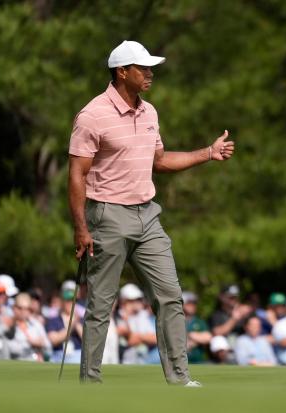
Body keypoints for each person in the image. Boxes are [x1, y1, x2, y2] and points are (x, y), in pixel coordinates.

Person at [68, 40, 234, 386]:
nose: (150, 73)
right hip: (107, 215)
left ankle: (180, 377)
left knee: (170, 295)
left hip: (148, 217)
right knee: (101, 303)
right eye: (143, 68)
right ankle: (90, 382)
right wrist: (81, 228)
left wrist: (207, 153)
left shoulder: (150, 112)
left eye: (150, 67)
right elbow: (77, 175)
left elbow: (159, 161)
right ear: (122, 72)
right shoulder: (92, 115)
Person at [116, 283, 158, 364]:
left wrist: (138, 337)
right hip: (123, 362)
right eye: (134, 300)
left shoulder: (142, 315)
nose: (139, 302)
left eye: (139, 299)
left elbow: (156, 338)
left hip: (142, 361)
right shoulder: (118, 316)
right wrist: (144, 338)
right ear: (124, 301)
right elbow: (130, 341)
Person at [7, 293, 51, 361]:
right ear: (14, 308)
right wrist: (31, 343)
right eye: (19, 308)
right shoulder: (9, 324)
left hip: (37, 364)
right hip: (18, 363)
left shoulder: (36, 324)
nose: (22, 311)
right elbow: (9, 348)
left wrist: (41, 344)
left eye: (26, 309)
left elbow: (48, 347)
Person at [45, 286, 84, 363]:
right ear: (62, 302)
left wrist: (77, 324)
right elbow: (53, 340)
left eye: (73, 301)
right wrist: (72, 325)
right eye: (68, 301)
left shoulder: (81, 320)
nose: (71, 303)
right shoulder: (54, 320)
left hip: (77, 356)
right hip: (58, 356)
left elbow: (88, 341)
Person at [182, 291, 211, 364]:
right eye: (189, 303)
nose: (193, 306)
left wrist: (190, 335)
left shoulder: (199, 321)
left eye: (194, 303)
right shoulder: (174, 321)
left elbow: (208, 337)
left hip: (199, 362)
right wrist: (197, 338)